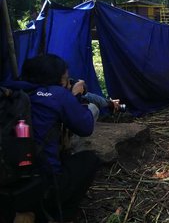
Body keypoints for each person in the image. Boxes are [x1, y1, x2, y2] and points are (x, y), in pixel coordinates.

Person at [0, 54, 102, 223]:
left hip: (7, 183)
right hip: (41, 186)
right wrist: (74, 96)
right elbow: (85, 127)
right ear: (54, 79)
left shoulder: (9, 91)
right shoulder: (56, 95)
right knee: (90, 160)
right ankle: (55, 214)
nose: (67, 83)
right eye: (66, 79)